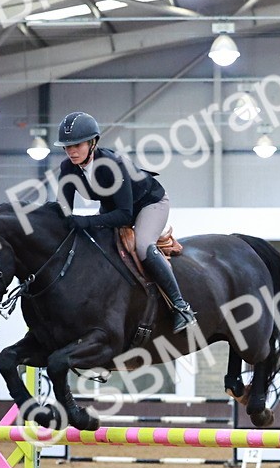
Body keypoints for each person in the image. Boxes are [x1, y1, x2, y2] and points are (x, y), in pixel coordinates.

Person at [53, 111, 196, 332]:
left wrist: (86, 221)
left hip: (149, 203)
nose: (71, 151)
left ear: (92, 143)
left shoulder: (113, 164)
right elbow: (63, 209)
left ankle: (181, 307)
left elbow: (125, 215)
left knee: (142, 246)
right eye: (67, 146)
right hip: (113, 207)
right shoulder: (68, 168)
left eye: (77, 145)